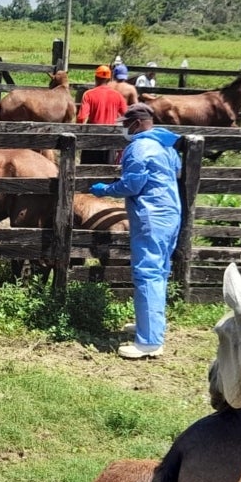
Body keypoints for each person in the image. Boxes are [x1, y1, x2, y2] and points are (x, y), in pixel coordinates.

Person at [89, 103, 182, 359]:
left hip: (150, 217)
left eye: (125, 123)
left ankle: (149, 342)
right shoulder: (165, 144)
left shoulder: (139, 147)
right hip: (170, 214)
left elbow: (132, 184)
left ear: (138, 123)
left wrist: (105, 190)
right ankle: (150, 325)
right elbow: (177, 171)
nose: (123, 128)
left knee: (147, 273)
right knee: (160, 271)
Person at [77, 65, 127, 164]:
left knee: (87, 170)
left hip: (92, 138)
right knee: (107, 171)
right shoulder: (118, 95)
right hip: (110, 137)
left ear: (96, 78)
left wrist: (80, 134)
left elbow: (81, 118)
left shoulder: (88, 94)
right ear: (109, 79)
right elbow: (126, 116)